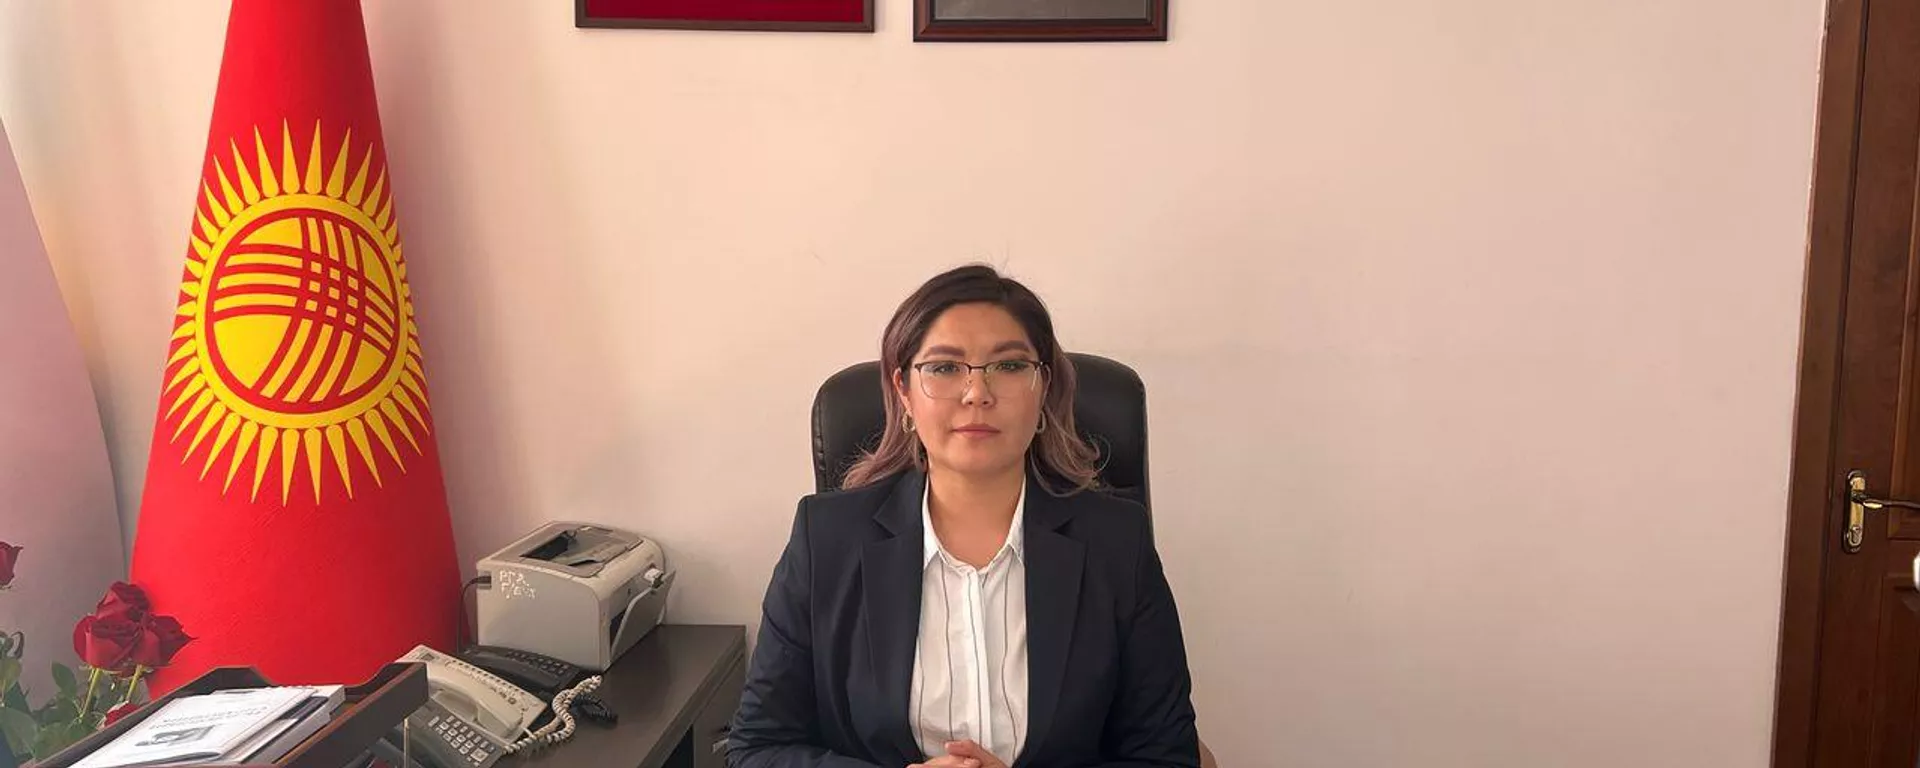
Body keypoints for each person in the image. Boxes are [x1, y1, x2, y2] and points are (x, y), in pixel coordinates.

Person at [727, 265, 1200, 768]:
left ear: (1043, 388)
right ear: (904, 393)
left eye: (1010, 365)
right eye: (945, 368)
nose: (977, 393)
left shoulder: (1116, 543)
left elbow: (1166, 756)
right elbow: (757, 749)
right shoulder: (825, 541)